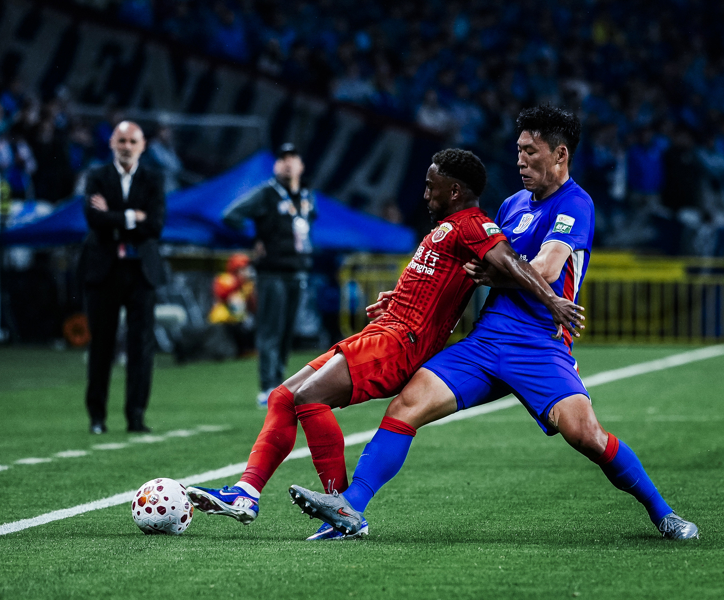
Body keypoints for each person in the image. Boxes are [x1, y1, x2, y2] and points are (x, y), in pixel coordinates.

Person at [289, 106, 699, 541]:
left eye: (530, 152)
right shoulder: (511, 205)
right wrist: (409, 294)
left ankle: (663, 513)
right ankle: (351, 508)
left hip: (538, 345)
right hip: (486, 341)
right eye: (518, 151)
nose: (520, 161)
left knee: (586, 436)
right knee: (406, 406)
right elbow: (469, 266)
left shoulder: (576, 203)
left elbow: (545, 269)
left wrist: (499, 274)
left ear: (560, 154)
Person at [189, 148, 582, 540]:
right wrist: (397, 297)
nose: (425, 194)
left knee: (309, 398)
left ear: (455, 191)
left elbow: (511, 261)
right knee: (282, 397)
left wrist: (552, 301)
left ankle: (341, 510)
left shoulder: (474, 225)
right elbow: (434, 279)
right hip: (385, 329)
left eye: (431, 186)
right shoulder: (449, 226)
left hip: (401, 342)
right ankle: (246, 493)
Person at [81, 121, 166, 434]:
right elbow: (93, 219)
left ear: (142, 146)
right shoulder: (96, 176)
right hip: (104, 270)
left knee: (141, 345)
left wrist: (113, 215)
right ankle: (97, 417)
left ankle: (136, 416)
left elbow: (155, 225)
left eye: (132, 141)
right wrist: (133, 215)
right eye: (121, 141)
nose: (127, 147)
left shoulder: (154, 178)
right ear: (112, 144)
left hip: (141, 271)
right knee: (101, 344)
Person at [221, 143, 316, 407]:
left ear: (301, 166)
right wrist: (254, 238)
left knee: (286, 332)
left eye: (292, 158)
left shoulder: (307, 195)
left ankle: (279, 383)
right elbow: (230, 216)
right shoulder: (266, 194)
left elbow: (309, 224)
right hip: (271, 271)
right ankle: (266, 387)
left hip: (297, 269)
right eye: (282, 159)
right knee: (270, 331)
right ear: (276, 166)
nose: (287, 163)